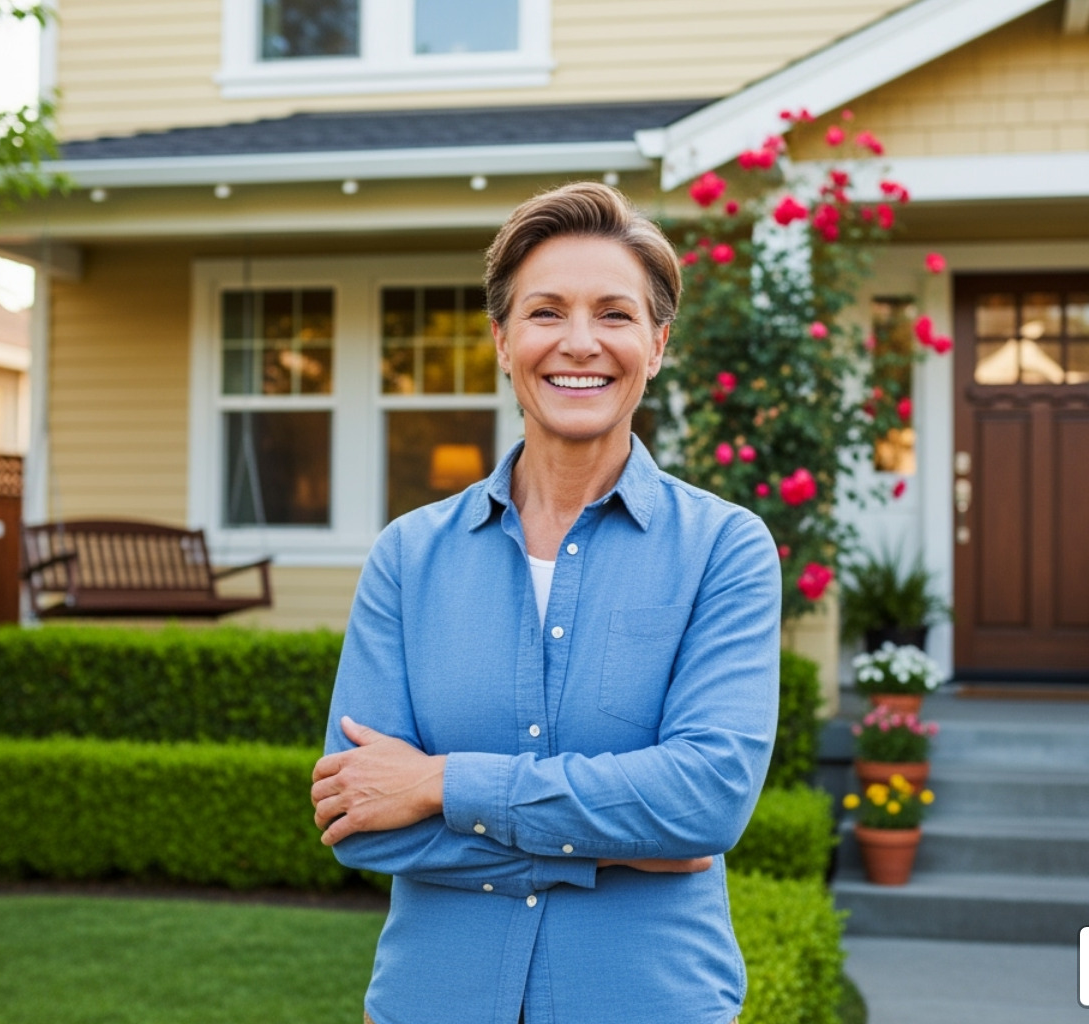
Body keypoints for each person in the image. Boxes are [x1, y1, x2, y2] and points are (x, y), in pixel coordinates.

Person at [310, 181, 781, 1024]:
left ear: (657, 343)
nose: (579, 344)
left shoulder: (724, 549)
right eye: (545, 312)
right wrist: (621, 851)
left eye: (613, 314)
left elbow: (706, 801)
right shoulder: (408, 558)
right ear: (500, 339)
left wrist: (443, 782)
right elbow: (365, 821)